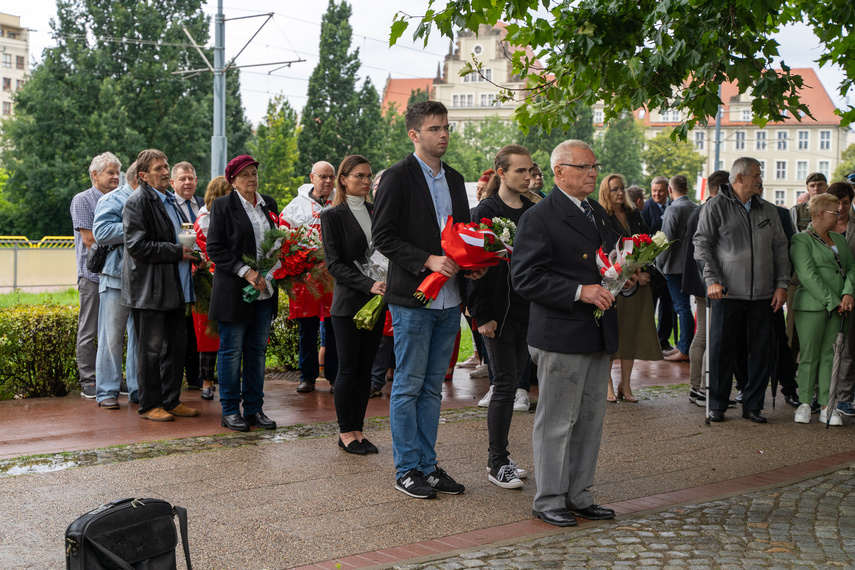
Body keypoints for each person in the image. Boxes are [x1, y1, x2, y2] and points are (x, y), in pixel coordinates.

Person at [512, 139, 637, 527]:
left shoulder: (597, 212)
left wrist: (624, 279)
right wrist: (578, 291)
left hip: (597, 332)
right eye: (583, 167)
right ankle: (549, 499)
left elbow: (607, 261)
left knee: (590, 419)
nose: (593, 173)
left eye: (594, 165)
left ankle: (579, 495)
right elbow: (524, 278)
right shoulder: (540, 216)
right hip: (561, 333)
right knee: (557, 421)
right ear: (559, 172)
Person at [373, 100, 486, 500]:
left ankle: (427, 465)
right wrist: (427, 260)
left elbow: (461, 231)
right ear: (414, 134)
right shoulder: (397, 178)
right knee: (407, 386)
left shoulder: (455, 179)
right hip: (414, 298)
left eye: (447, 127)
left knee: (432, 388)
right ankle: (406, 469)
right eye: (435, 128)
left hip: (450, 298)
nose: (444, 135)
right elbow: (382, 237)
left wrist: (473, 262)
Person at [694, 157, 790, 423]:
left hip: (763, 294)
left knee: (761, 351)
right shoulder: (715, 206)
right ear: (739, 178)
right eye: (756, 175)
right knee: (721, 349)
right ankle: (718, 404)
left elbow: (781, 249)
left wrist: (782, 285)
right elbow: (702, 245)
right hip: (726, 292)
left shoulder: (769, 210)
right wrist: (711, 279)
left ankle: (753, 405)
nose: (761, 179)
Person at [468, 144, 535, 489]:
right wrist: (482, 314)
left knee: (515, 380)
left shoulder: (533, 209)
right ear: (501, 172)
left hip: (529, 310)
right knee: (504, 384)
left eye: (530, 171)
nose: (527, 177)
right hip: (496, 312)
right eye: (519, 171)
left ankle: (503, 456)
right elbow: (475, 267)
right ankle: (497, 462)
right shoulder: (486, 210)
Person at [122, 149, 199, 422]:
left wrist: (193, 252)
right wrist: (177, 251)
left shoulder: (169, 199)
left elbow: (181, 236)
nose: (166, 171)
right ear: (143, 175)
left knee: (177, 347)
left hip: (174, 286)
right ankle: (149, 405)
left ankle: (171, 400)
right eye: (158, 168)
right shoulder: (137, 201)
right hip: (150, 290)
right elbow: (136, 246)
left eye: (166, 166)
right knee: (150, 351)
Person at [206, 154, 279, 432]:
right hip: (234, 291)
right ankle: (229, 410)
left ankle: (254, 409)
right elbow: (215, 248)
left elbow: (276, 242)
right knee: (232, 351)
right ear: (233, 181)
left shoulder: (268, 204)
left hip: (265, 290)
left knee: (257, 351)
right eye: (245, 175)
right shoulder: (223, 206)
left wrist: (273, 269)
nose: (252, 179)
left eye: (254, 173)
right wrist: (245, 271)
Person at [321, 155, 386, 454]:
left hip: (377, 300)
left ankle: (359, 429)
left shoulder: (376, 211)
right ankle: (345, 432)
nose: (366, 181)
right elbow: (334, 264)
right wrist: (368, 283)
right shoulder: (332, 214)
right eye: (359, 176)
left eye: (369, 176)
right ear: (343, 179)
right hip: (349, 303)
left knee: (365, 369)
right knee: (348, 369)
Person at [790, 193, 855, 426]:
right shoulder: (801, 240)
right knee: (809, 356)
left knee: (831, 356)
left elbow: (851, 267)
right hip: (812, 306)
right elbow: (808, 276)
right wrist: (834, 300)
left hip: (839, 307)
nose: (839, 215)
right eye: (834, 212)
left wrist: (848, 293)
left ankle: (828, 405)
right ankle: (805, 403)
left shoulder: (839, 238)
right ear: (819, 214)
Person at [598, 173, 662, 403]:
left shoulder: (635, 215)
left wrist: (645, 273)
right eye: (614, 189)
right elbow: (602, 251)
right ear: (606, 191)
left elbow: (649, 244)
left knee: (631, 334)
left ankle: (626, 384)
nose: (619, 192)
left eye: (622, 188)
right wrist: (621, 276)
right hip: (613, 286)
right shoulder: (601, 216)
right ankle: (608, 385)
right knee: (612, 334)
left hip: (639, 285)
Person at [280, 161, 338, 394]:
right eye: (322, 177)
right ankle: (308, 376)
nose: (327, 181)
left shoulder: (341, 201)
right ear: (312, 177)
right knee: (307, 327)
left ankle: (334, 376)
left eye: (331, 177)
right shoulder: (295, 206)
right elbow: (284, 236)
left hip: (335, 275)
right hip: (307, 276)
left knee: (335, 326)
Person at [71, 152, 121, 398]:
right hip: (92, 277)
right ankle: (88, 380)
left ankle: (112, 378)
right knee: (89, 331)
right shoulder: (82, 200)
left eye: (117, 173)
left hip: (115, 277)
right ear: (94, 174)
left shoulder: (121, 199)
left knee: (113, 331)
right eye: (110, 172)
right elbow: (90, 239)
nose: (115, 177)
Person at [91, 160, 139, 409]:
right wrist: (138, 228)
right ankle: (107, 392)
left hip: (142, 279)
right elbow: (101, 232)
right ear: (139, 178)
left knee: (139, 338)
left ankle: (137, 390)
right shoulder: (113, 199)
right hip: (115, 278)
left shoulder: (153, 199)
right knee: (111, 338)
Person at [682, 170, 728, 406]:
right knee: (706, 336)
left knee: (704, 334)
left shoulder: (698, 209)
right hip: (708, 283)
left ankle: (699, 387)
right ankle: (699, 388)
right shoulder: (712, 210)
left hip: (699, 281)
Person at [193, 176, 232, 401]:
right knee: (208, 334)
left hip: (231, 279)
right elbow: (207, 250)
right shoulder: (205, 219)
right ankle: (207, 381)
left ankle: (231, 380)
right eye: (229, 190)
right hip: (209, 281)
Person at [170, 161, 205, 390]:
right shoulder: (168, 205)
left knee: (202, 326)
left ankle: (203, 375)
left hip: (204, 274)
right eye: (182, 179)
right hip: (180, 273)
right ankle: (189, 376)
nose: (187, 182)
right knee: (184, 327)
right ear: (172, 182)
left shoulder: (204, 204)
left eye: (190, 178)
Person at [659, 175, 699, 362]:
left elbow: (665, 240)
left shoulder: (673, 209)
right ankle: (684, 345)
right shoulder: (696, 208)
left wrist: (658, 265)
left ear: (669, 190)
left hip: (674, 266)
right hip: (692, 265)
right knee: (686, 307)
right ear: (687, 188)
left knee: (681, 306)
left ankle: (684, 348)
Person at [825, 182, 855, 417]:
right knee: (823, 346)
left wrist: (849, 292)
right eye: (838, 203)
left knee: (847, 349)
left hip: (850, 295)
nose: (842, 208)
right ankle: (819, 395)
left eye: (846, 202)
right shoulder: (822, 226)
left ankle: (844, 397)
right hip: (825, 295)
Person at [643, 175, 675, 352]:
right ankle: (649, 342)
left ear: (667, 190)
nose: (657, 194)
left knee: (668, 305)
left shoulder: (673, 206)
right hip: (653, 265)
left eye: (660, 191)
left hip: (670, 265)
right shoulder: (646, 208)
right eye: (654, 191)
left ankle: (663, 339)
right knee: (650, 305)